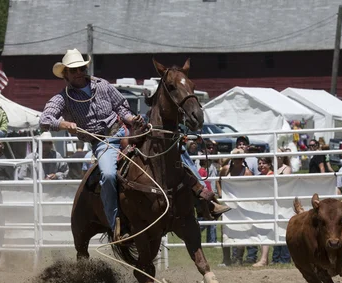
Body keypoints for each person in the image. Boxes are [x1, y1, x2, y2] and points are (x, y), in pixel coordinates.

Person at [39, 49, 227, 241]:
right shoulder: (63, 98)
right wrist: (63, 124)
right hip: (102, 142)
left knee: (171, 148)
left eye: (80, 68)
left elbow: (121, 106)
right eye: (73, 70)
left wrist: (130, 118)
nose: (78, 72)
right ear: (66, 75)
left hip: (124, 132)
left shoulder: (102, 85)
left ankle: (205, 197)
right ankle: (115, 224)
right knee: (109, 174)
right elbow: (44, 119)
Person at [218, 149, 253, 266]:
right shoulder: (226, 169)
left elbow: (250, 187)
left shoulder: (247, 172)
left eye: (240, 158)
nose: (238, 161)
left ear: (243, 159)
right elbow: (218, 181)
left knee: (241, 231)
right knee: (225, 230)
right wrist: (221, 194)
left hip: (241, 206)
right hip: (227, 204)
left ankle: (238, 258)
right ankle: (226, 259)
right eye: (235, 158)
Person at [253, 157, 275, 268]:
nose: (261, 165)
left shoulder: (271, 176)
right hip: (262, 207)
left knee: (265, 232)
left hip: (270, 207)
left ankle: (264, 259)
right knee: (262, 232)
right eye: (259, 163)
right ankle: (264, 258)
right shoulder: (259, 177)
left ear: (270, 165)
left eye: (264, 163)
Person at [273, 148, 292, 264]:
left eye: (280, 155)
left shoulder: (286, 168)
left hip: (284, 201)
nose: (278, 157)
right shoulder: (273, 169)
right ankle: (275, 257)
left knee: (284, 228)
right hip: (276, 201)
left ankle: (284, 257)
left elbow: (284, 183)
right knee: (276, 228)